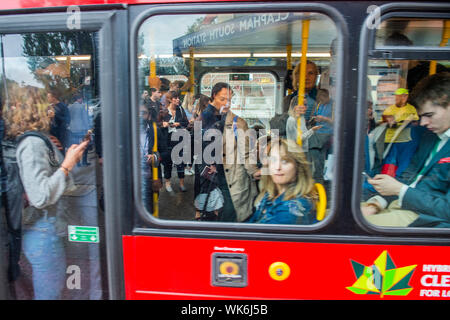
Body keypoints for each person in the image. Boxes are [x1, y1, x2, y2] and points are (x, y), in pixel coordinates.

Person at [2, 95, 89, 299]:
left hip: (44, 231)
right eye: (47, 106)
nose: (53, 111)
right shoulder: (33, 143)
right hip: (42, 232)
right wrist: (67, 164)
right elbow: (40, 196)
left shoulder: (38, 138)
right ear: (35, 110)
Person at [361, 72, 450, 228]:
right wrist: (376, 203)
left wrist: (400, 190)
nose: (423, 122)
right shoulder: (431, 137)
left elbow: (446, 209)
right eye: (421, 116)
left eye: (429, 115)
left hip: (426, 218)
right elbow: (408, 176)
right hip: (400, 205)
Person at [200, 82, 259, 222]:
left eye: (229, 100)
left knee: (229, 214)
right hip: (212, 177)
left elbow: (246, 153)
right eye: (222, 99)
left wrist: (254, 171)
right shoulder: (206, 117)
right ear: (214, 97)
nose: (227, 104)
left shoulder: (238, 123)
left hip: (232, 177)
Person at [248, 138, 317, 225]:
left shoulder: (295, 206)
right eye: (273, 160)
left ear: (298, 167)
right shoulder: (270, 195)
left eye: (285, 161)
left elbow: (260, 235)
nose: (277, 167)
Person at [159, 90, 188, 192]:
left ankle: (181, 183)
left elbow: (186, 122)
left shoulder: (180, 110)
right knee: (168, 162)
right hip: (167, 140)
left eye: (178, 98)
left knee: (180, 161)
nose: (178, 100)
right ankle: (167, 183)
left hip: (179, 139)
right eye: (175, 98)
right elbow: (158, 124)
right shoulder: (163, 111)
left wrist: (178, 124)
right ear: (170, 100)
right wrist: (164, 124)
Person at [307, 88, 334, 184]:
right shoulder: (319, 105)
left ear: (326, 96)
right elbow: (314, 115)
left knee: (311, 144)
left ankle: (317, 175)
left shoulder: (333, 105)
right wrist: (314, 119)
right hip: (317, 131)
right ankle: (314, 173)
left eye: (322, 99)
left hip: (327, 132)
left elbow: (335, 121)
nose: (320, 101)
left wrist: (324, 119)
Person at [67, 92, 92, 166]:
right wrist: (88, 129)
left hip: (73, 129)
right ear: (78, 99)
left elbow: (68, 118)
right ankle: (84, 162)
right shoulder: (81, 107)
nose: (82, 100)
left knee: (76, 146)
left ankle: (77, 163)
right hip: (81, 129)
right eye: (81, 98)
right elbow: (84, 119)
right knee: (84, 145)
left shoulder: (69, 107)